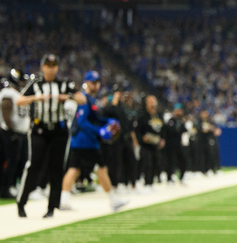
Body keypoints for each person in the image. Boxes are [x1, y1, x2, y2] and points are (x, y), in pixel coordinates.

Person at [15, 54, 78, 218]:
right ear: (43, 67)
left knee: (56, 168)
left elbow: (82, 98)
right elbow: (19, 100)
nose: (51, 69)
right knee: (34, 164)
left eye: (54, 66)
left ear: (57, 67)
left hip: (59, 130)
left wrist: (69, 97)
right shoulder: (36, 84)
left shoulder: (64, 84)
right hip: (39, 129)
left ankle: (52, 207)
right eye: (48, 66)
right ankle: (21, 202)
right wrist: (36, 98)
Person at [58, 71, 129, 212]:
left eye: (98, 82)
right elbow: (82, 121)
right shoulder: (84, 99)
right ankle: (113, 200)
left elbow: (95, 118)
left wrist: (107, 121)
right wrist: (99, 131)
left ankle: (64, 200)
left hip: (83, 141)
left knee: (75, 169)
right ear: (87, 82)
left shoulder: (90, 99)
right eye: (94, 82)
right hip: (85, 141)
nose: (97, 85)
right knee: (100, 169)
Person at [1, 69, 31, 199]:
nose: (23, 83)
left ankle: (14, 185)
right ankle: (6, 187)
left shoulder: (18, 93)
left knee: (22, 161)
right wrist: (10, 130)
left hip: (21, 133)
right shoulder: (8, 93)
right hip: (10, 133)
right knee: (12, 160)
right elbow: (6, 111)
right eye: (22, 80)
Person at [137, 95, 164, 192]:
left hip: (155, 145)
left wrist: (163, 139)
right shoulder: (142, 116)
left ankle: (151, 183)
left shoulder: (159, 115)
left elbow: (162, 129)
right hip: (145, 145)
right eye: (150, 101)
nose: (153, 103)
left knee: (155, 163)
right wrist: (141, 138)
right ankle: (147, 183)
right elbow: (137, 130)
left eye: (154, 101)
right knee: (147, 164)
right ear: (146, 104)